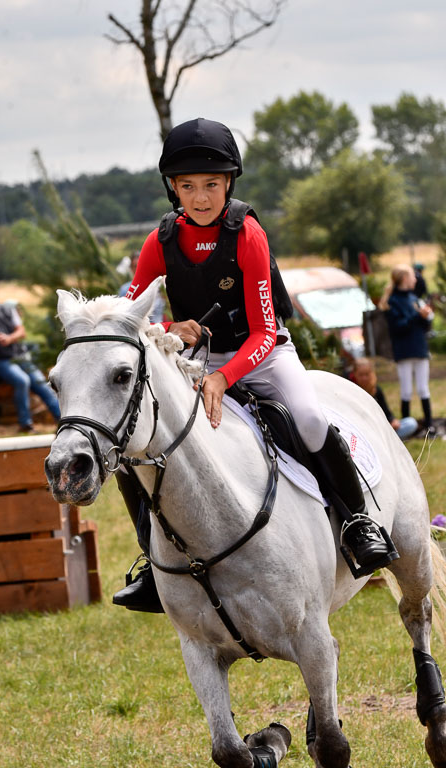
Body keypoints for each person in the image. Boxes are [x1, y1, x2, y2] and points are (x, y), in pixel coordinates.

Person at [112, 117, 398, 613]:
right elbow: (133, 317)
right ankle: (150, 563)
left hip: (262, 355)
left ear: (228, 184)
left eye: (211, 185)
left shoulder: (246, 233)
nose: (200, 198)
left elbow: (266, 331)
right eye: (188, 187)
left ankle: (358, 523)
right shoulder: (158, 242)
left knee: (309, 419)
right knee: (132, 443)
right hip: (196, 363)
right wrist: (166, 330)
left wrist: (225, 376)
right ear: (172, 187)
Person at [0, 279, 60, 432]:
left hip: (19, 356)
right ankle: (25, 424)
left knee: (41, 383)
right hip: (0, 360)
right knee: (22, 381)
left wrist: (9, 338)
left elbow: (21, 331)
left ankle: (63, 420)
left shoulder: (8, 309)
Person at [379, 264, 434, 433]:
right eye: (412, 276)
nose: (416, 279)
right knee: (406, 390)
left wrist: (426, 318)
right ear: (404, 279)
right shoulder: (392, 302)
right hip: (404, 351)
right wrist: (417, 316)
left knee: (424, 388)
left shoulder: (414, 298)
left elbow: (423, 327)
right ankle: (407, 427)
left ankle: (429, 424)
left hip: (419, 348)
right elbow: (398, 327)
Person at [350, 357, 418, 440]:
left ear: (372, 373)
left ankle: (386, 440)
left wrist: (392, 420)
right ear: (354, 374)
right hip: (360, 430)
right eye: (361, 375)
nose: (364, 378)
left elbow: (386, 412)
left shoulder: (376, 390)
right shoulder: (350, 390)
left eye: (367, 374)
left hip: (379, 429)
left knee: (411, 423)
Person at [119, 251, 165, 323]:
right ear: (131, 268)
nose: (138, 268)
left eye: (140, 264)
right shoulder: (125, 289)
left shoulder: (158, 287)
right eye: (135, 266)